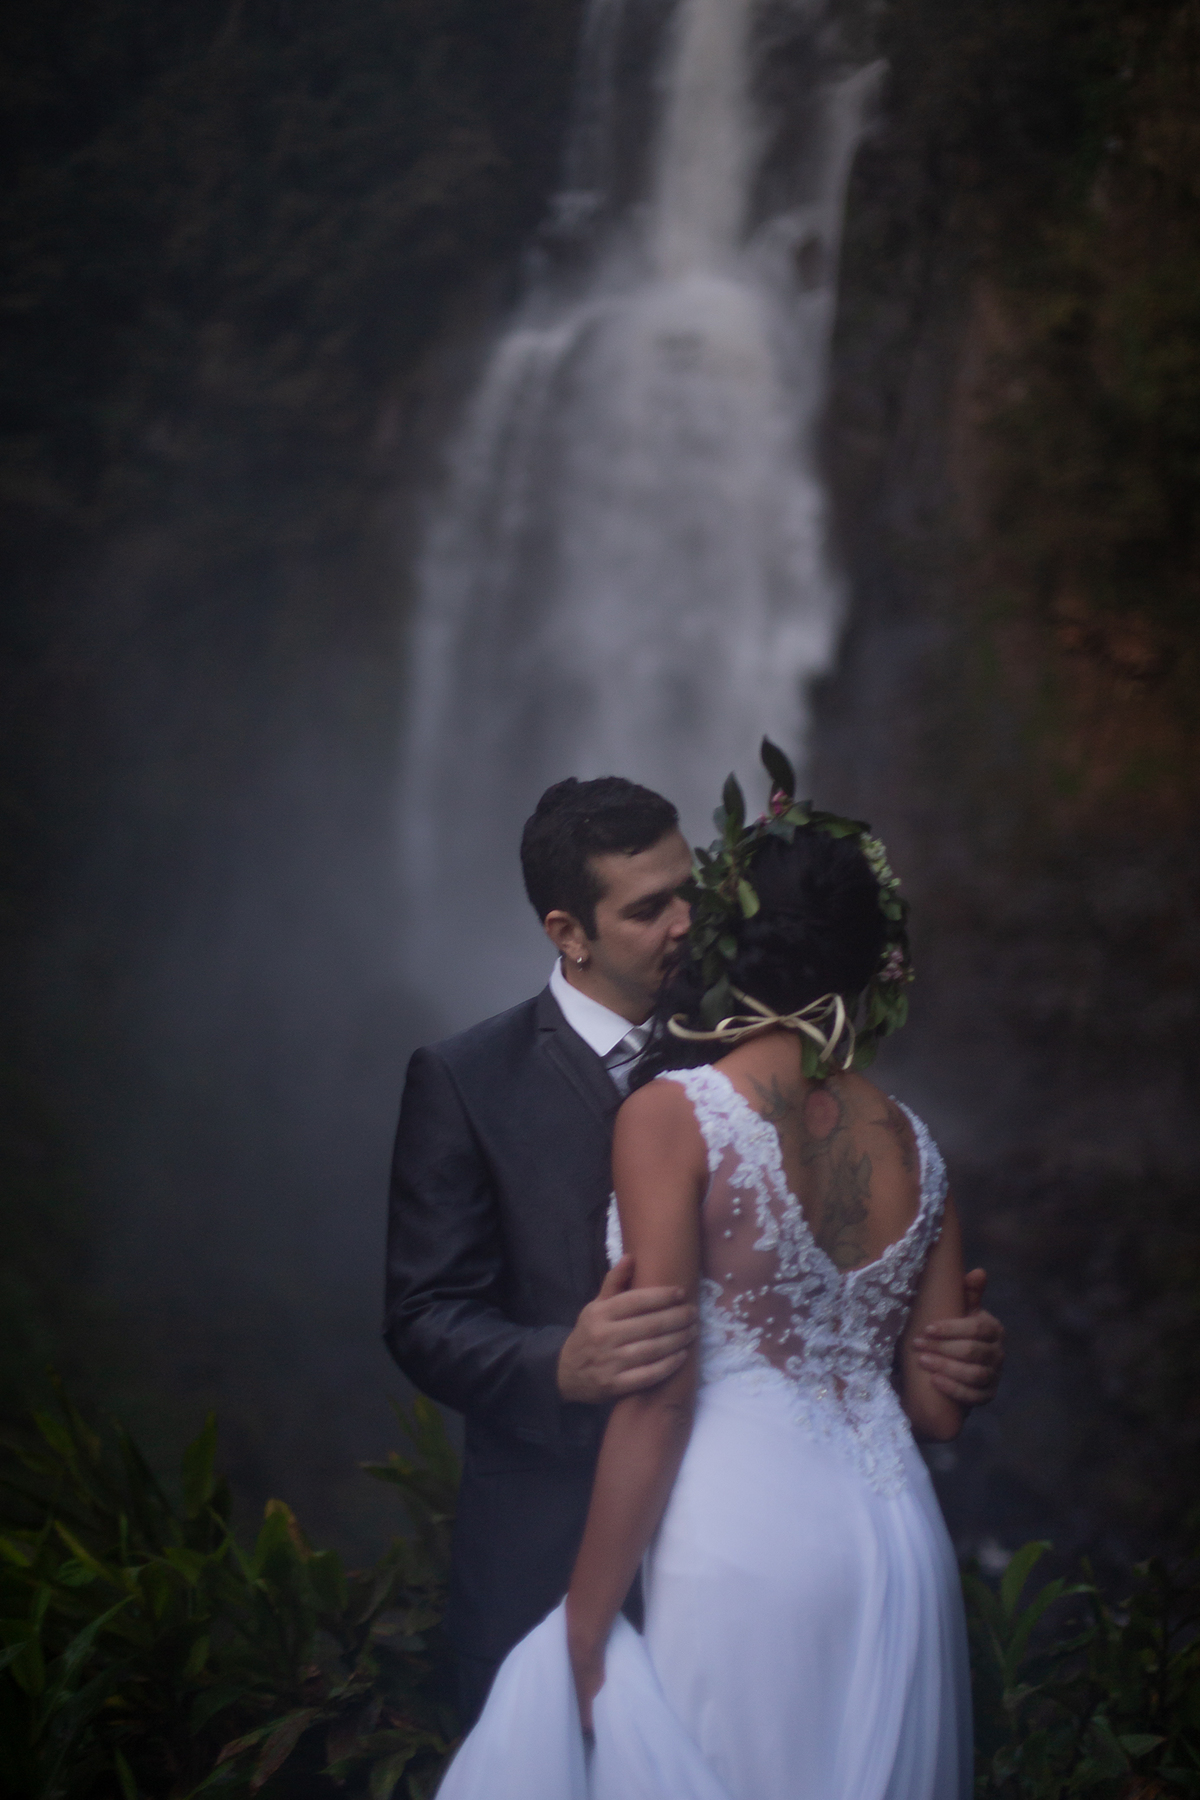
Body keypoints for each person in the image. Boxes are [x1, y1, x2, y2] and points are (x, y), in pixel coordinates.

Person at [384, 771, 1004, 1745]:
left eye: (690, 892)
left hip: (741, 1557)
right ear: (568, 932)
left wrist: (945, 1350)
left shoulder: (744, 1063)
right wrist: (559, 1363)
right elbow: (422, 1314)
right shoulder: (465, 1081)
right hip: (544, 1558)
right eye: (648, 907)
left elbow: (815, 1304)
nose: (685, 922)